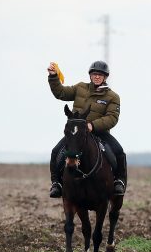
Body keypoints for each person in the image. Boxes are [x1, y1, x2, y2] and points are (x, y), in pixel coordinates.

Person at [47, 61, 126, 198]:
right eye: (94, 74)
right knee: (55, 152)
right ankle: (56, 183)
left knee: (119, 152)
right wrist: (53, 76)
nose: (97, 77)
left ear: (105, 77)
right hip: (77, 133)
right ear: (90, 75)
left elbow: (112, 118)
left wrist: (93, 125)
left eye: (100, 75)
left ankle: (119, 181)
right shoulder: (80, 87)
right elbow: (61, 93)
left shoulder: (113, 97)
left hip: (99, 133)